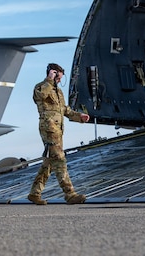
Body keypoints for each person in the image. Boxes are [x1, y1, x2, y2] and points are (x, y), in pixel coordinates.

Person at [28, 63, 90, 205]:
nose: (59, 81)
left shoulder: (58, 92)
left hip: (58, 129)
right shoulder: (41, 86)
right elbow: (40, 96)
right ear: (52, 73)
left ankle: (34, 193)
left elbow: (65, 110)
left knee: (49, 162)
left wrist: (79, 116)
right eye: (58, 77)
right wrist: (50, 80)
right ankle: (70, 194)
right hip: (49, 128)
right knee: (60, 159)